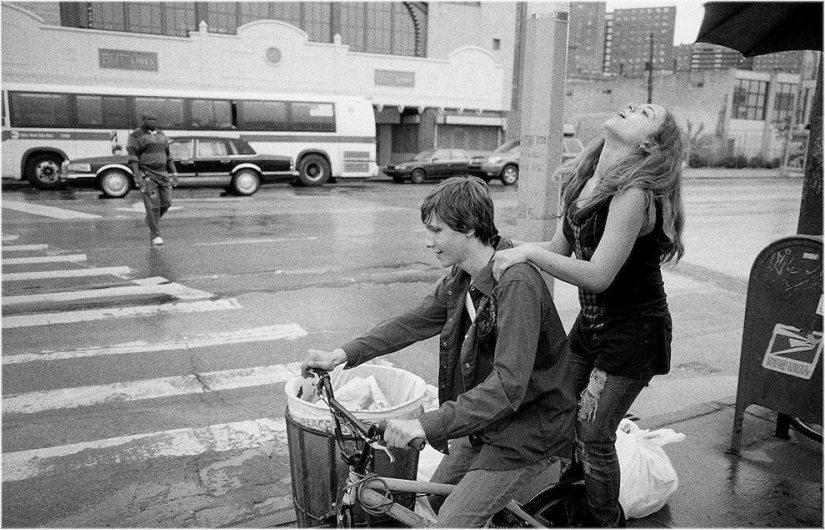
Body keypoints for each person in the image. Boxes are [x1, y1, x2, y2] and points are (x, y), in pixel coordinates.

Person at [301, 176, 576, 527]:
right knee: (430, 500)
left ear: (469, 228)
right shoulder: (465, 276)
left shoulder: (516, 283)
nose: (428, 242)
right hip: (487, 423)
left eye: (436, 231)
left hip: (528, 431)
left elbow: (508, 386)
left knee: (450, 522)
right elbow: (411, 322)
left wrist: (424, 425)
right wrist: (340, 355)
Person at [493, 103, 685, 527]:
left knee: (594, 435)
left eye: (644, 111)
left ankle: (602, 521)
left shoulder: (634, 194)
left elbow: (597, 275)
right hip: (592, 328)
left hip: (634, 333)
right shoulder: (589, 175)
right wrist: (505, 249)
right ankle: (573, 501)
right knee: (563, 416)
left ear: (649, 142)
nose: (630, 107)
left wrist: (526, 254)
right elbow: (559, 249)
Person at [127, 112, 178, 246]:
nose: (152, 122)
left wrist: (174, 173)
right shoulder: (135, 135)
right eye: (149, 119)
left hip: (163, 175)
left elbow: (168, 156)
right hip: (148, 175)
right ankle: (155, 235)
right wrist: (138, 177)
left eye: (154, 119)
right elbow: (133, 158)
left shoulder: (161, 135)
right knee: (153, 206)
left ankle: (150, 221)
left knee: (167, 203)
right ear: (143, 120)